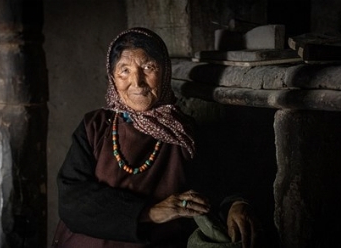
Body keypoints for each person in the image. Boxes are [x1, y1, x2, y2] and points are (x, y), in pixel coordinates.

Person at [53, 27, 259, 248]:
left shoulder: (183, 134)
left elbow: (213, 187)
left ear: (165, 72)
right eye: (125, 70)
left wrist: (235, 205)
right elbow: (71, 200)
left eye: (148, 67)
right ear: (113, 77)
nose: (138, 82)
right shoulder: (95, 127)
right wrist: (150, 212)